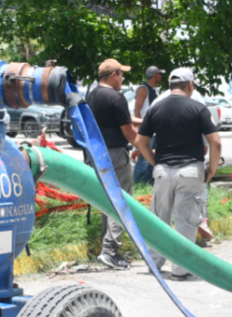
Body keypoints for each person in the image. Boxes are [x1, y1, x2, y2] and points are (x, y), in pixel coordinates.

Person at [135, 68, 221, 281]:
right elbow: (215, 141)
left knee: (159, 218)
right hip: (190, 171)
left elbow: (140, 142)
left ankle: (154, 264)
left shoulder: (155, 108)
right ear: (190, 85)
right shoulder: (198, 108)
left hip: (163, 171)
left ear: (170, 86)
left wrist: (156, 162)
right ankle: (180, 269)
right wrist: (212, 169)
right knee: (186, 220)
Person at [88, 58, 139, 269]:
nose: (123, 78)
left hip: (96, 153)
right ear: (114, 75)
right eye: (122, 74)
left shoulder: (92, 95)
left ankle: (104, 247)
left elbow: (121, 120)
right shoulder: (116, 97)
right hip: (116, 155)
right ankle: (110, 251)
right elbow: (128, 132)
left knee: (106, 200)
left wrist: (149, 121)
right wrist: (145, 149)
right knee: (121, 201)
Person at [131, 66, 164, 185]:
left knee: (152, 159)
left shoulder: (154, 90)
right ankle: (137, 183)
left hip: (154, 130)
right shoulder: (143, 89)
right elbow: (137, 109)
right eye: (160, 74)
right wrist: (141, 130)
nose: (161, 76)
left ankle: (148, 183)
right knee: (144, 159)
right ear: (155, 74)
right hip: (147, 130)